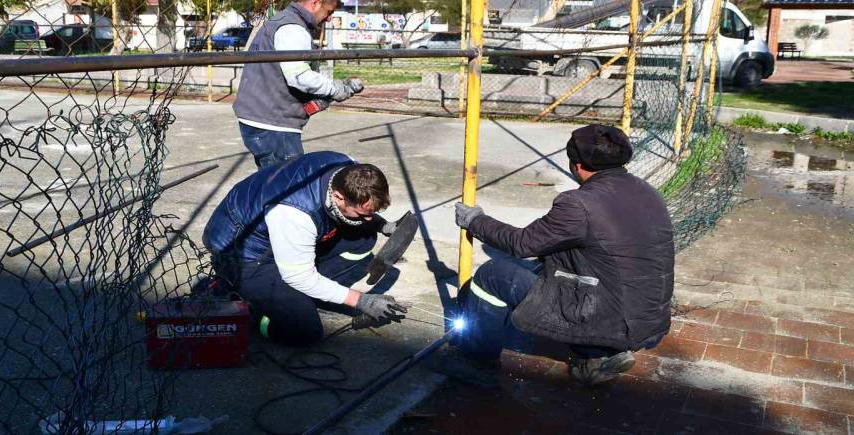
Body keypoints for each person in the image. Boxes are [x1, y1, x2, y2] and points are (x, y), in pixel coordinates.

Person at [439, 124, 674, 386]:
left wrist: (475, 221)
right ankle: (598, 354)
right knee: (543, 266)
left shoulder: (578, 204)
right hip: (649, 320)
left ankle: (476, 362)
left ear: (577, 166)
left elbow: (522, 244)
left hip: (614, 322)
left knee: (492, 275)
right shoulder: (647, 191)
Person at [202, 151, 407, 347]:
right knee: (304, 330)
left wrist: (382, 225)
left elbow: (362, 209)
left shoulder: (347, 167)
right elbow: (298, 276)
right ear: (338, 196)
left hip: (282, 235)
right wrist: (360, 300)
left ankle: (311, 294)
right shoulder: (295, 213)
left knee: (362, 237)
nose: (368, 219)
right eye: (362, 214)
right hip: (245, 255)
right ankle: (252, 310)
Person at [233, 0, 363, 168]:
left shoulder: (281, 21)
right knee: (287, 181)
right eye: (329, 12)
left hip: (260, 118)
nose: (328, 18)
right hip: (273, 125)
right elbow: (300, 77)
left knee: (271, 178)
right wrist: (335, 89)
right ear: (315, 3)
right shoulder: (292, 28)